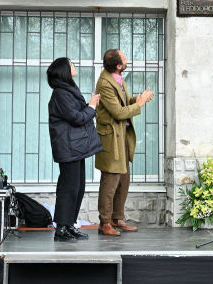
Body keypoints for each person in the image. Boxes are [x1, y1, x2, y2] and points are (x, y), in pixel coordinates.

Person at [95, 49, 154, 236]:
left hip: (123, 135)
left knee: (123, 180)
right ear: (119, 65)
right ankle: (105, 222)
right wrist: (141, 104)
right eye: (124, 57)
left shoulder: (119, 79)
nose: (127, 58)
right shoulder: (104, 83)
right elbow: (119, 112)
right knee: (110, 180)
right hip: (111, 137)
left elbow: (123, 102)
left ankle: (117, 217)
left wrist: (137, 99)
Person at [47, 57, 102, 242]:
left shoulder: (67, 91)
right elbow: (77, 118)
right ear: (64, 69)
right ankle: (61, 228)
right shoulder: (61, 94)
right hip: (68, 148)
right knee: (68, 188)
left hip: (75, 147)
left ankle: (69, 225)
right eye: (71, 63)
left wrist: (89, 105)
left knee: (78, 187)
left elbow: (76, 116)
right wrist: (92, 106)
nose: (74, 65)